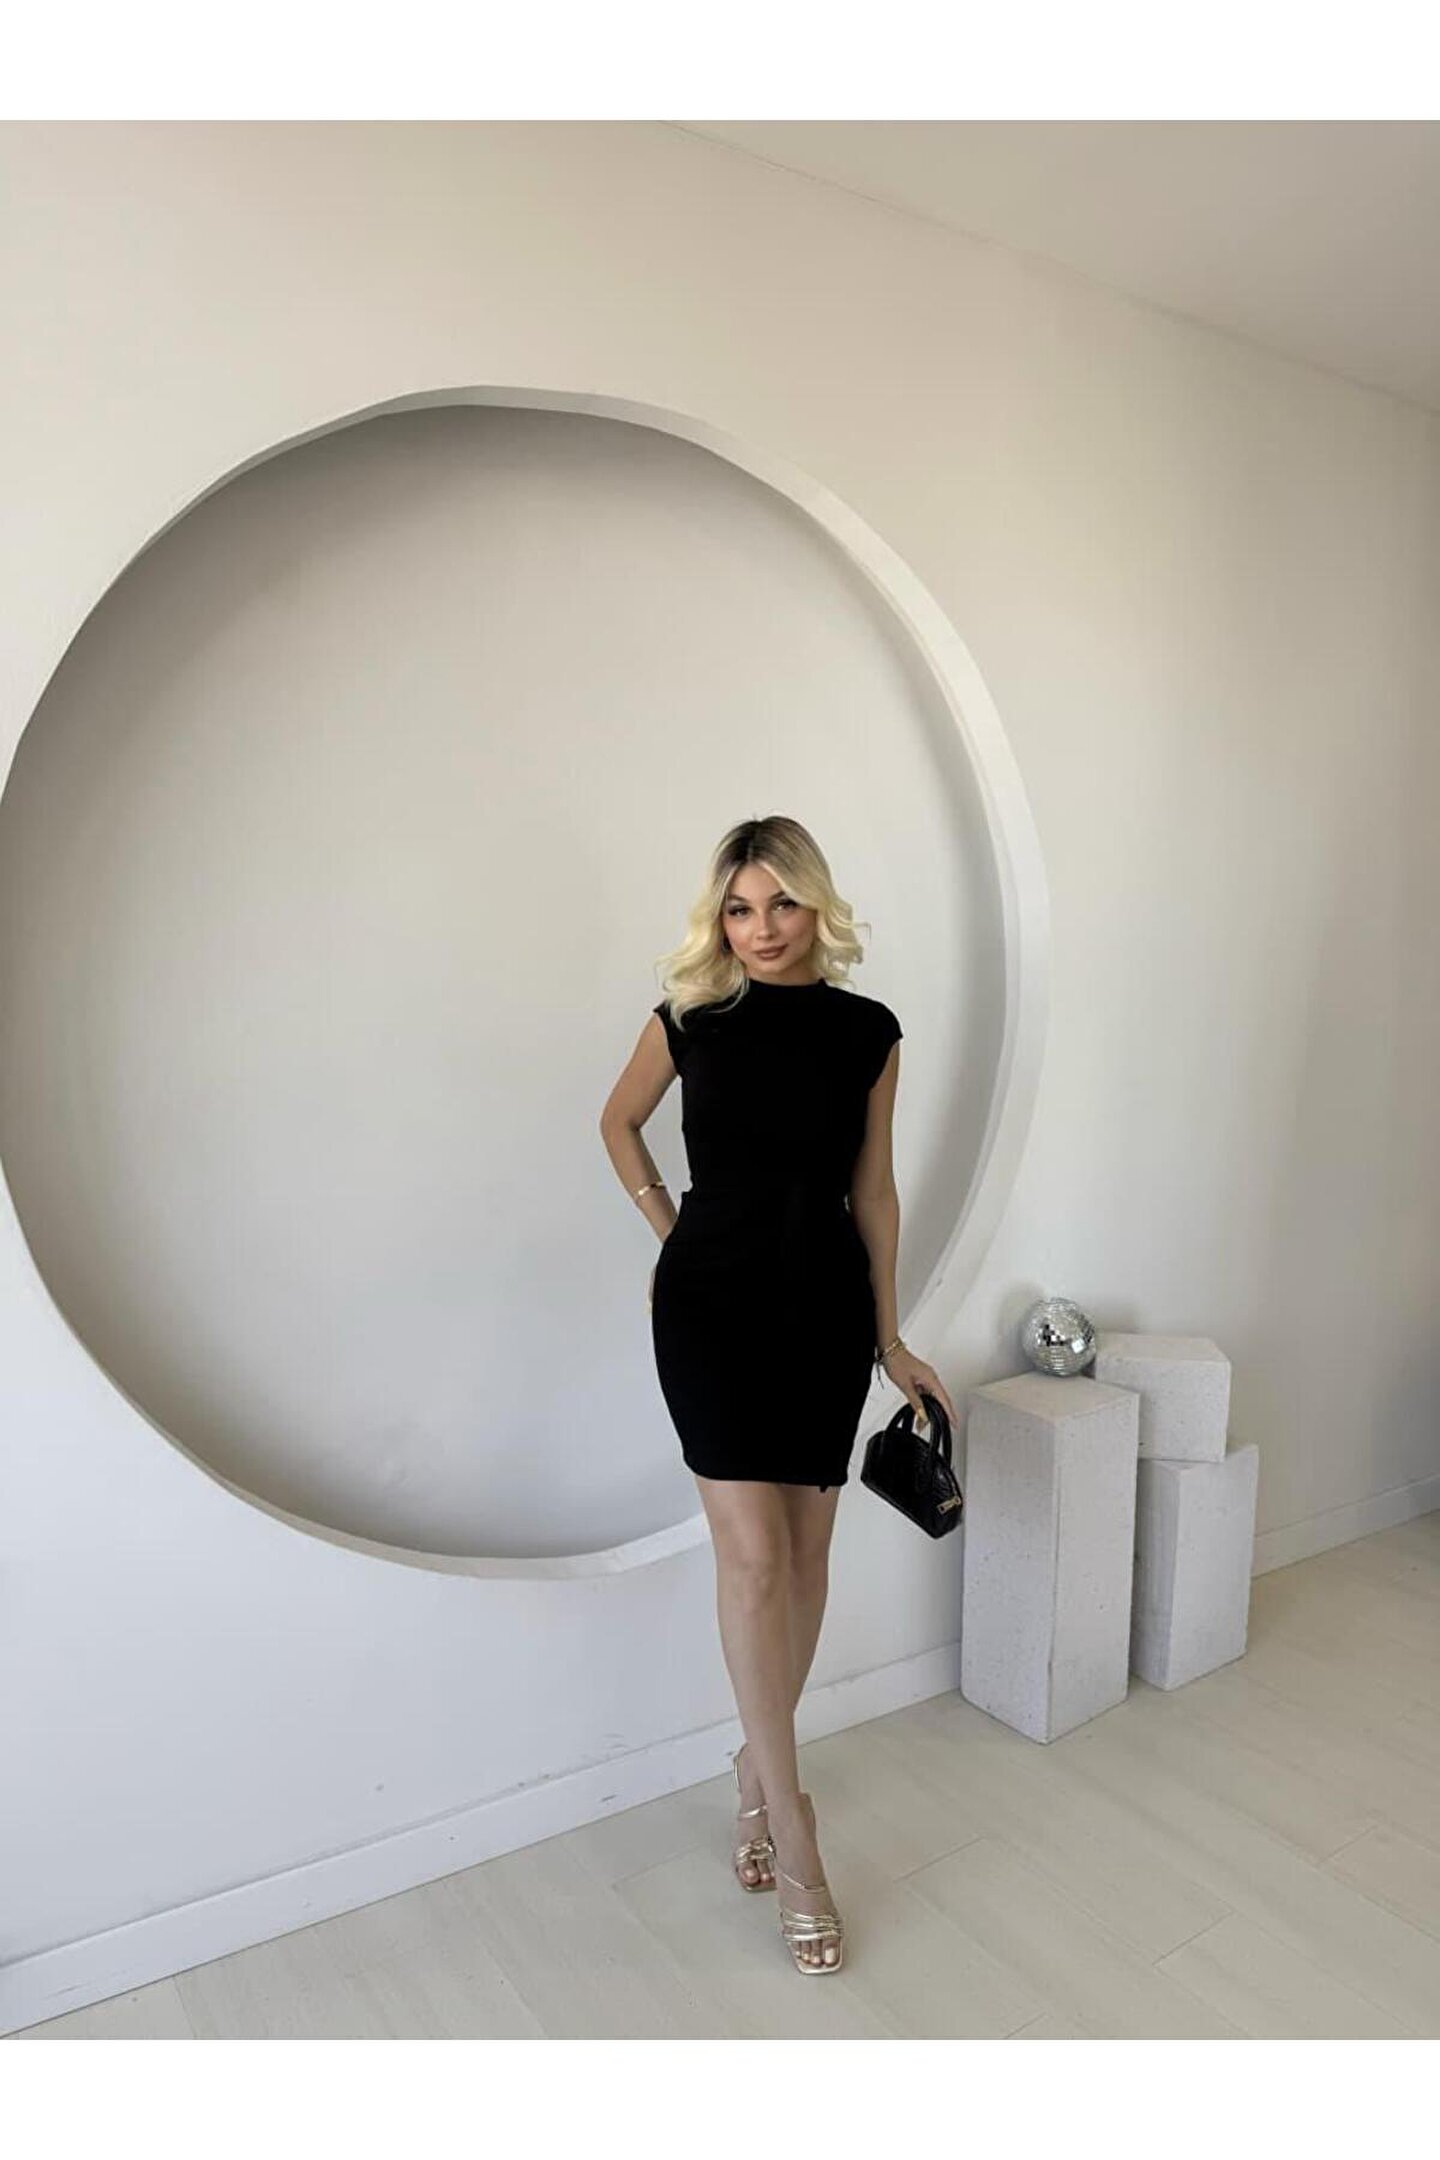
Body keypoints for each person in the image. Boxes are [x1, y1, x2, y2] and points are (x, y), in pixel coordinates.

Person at [599, 814, 955, 1974]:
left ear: (816, 906)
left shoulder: (868, 1032)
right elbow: (617, 1122)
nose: (760, 928)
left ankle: (754, 1766)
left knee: (805, 1561)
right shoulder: (688, 1020)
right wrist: (671, 1231)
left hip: (825, 1313)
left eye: (782, 904)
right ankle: (794, 1826)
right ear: (721, 917)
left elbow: (876, 1191)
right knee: (751, 1560)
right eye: (741, 908)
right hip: (710, 1308)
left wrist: (891, 1338)